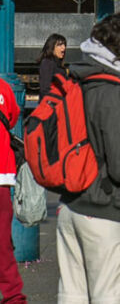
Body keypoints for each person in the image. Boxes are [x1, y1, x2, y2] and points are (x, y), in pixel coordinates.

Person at [56, 12, 120, 304]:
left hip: (70, 206)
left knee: (73, 296)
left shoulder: (76, 81)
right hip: (105, 210)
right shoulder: (114, 93)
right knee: (112, 295)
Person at [0, 76, 27, 304]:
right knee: (3, 243)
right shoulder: (3, 88)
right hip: (2, 172)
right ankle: (13, 297)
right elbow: (12, 116)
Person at [36, 32, 67, 99]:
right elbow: (45, 89)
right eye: (60, 45)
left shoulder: (58, 65)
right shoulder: (47, 63)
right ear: (52, 47)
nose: (63, 48)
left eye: (64, 45)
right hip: (52, 105)